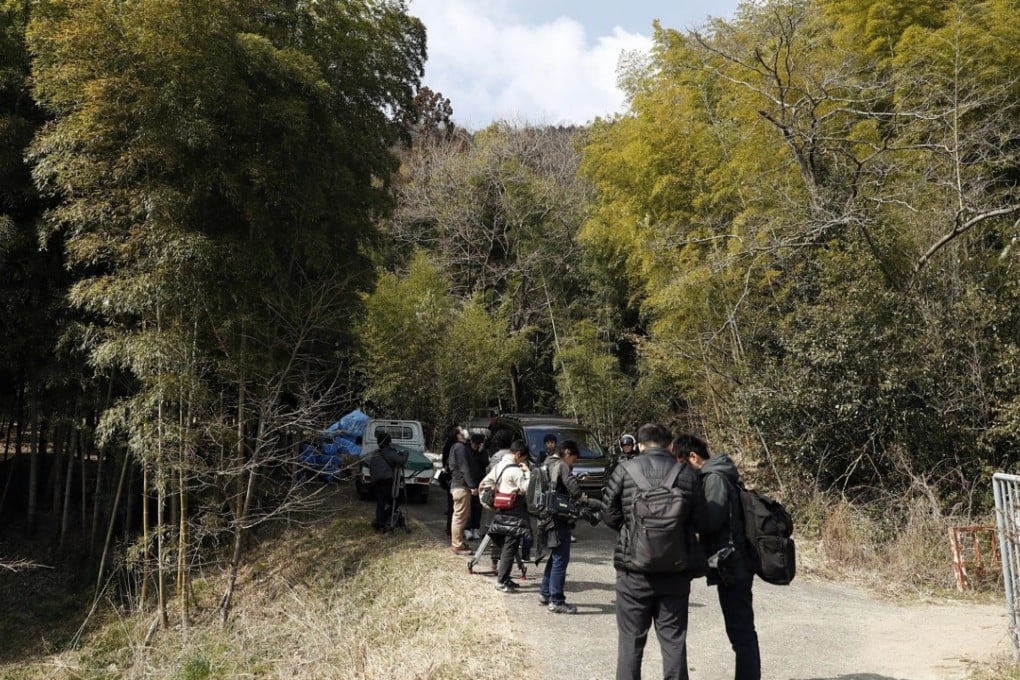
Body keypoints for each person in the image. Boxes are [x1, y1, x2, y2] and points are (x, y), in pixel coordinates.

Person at [602, 423, 702, 680]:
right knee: (674, 642)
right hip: (676, 571)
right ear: (670, 445)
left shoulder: (624, 470)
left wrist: (635, 532)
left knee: (630, 643)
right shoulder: (686, 474)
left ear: (639, 444)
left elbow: (609, 515)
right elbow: (701, 518)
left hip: (633, 572)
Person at [680, 433, 761, 680]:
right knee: (740, 629)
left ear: (693, 457)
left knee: (741, 631)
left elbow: (711, 521)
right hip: (735, 561)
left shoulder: (713, 478)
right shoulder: (720, 473)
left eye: (681, 463)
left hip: (733, 563)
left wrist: (690, 520)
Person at [538, 438, 585, 613]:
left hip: (546, 516)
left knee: (555, 556)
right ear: (567, 452)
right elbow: (574, 489)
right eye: (574, 459)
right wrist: (582, 498)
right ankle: (556, 601)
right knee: (561, 558)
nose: (573, 463)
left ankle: (545, 593)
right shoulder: (562, 465)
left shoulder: (546, 463)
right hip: (558, 517)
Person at [479, 439, 533, 592]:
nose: (524, 461)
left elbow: (484, 483)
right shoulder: (515, 470)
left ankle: (506, 579)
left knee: (505, 547)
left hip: (500, 511)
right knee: (510, 547)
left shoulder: (499, 466)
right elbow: (525, 489)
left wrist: (486, 503)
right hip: (514, 513)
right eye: (524, 458)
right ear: (518, 455)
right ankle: (501, 581)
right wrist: (528, 473)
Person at [448, 427, 481, 554]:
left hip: (458, 486)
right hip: (461, 486)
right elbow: (464, 467)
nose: (465, 430)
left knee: (460, 516)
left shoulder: (456, 447)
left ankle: (459, 542)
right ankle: (457, 545)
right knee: (460, 517)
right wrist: (472, 485)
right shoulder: (460, 448)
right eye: (462, 429)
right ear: (458, 435)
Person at [368, 433, 408, 533]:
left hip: (375, 481)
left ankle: (380, 524)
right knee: (396, 501)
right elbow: (401, 461)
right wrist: (406, 453)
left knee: (380, 503)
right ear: (389, 442)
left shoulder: (375, 453)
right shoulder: (389, 451)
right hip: (386, 480)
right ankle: (382, 520)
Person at [467, 433, 488, 540]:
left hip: (480, 482)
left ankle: (475, 528)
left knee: (478, 507)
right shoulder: (467, 451)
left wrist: (480, 453)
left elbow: (485, 463)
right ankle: (467, 528)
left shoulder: (483, 452)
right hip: (469, 482)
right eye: (474, 444)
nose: (475, 446)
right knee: (468, 506)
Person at [440, 424, 459, 537]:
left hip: (449, 478)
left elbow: (444, 460)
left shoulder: (448, 445)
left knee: (451, 505)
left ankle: (449, 529)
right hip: (456, 478)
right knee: (456, 508)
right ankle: (452, 531)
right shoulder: (459, 447)